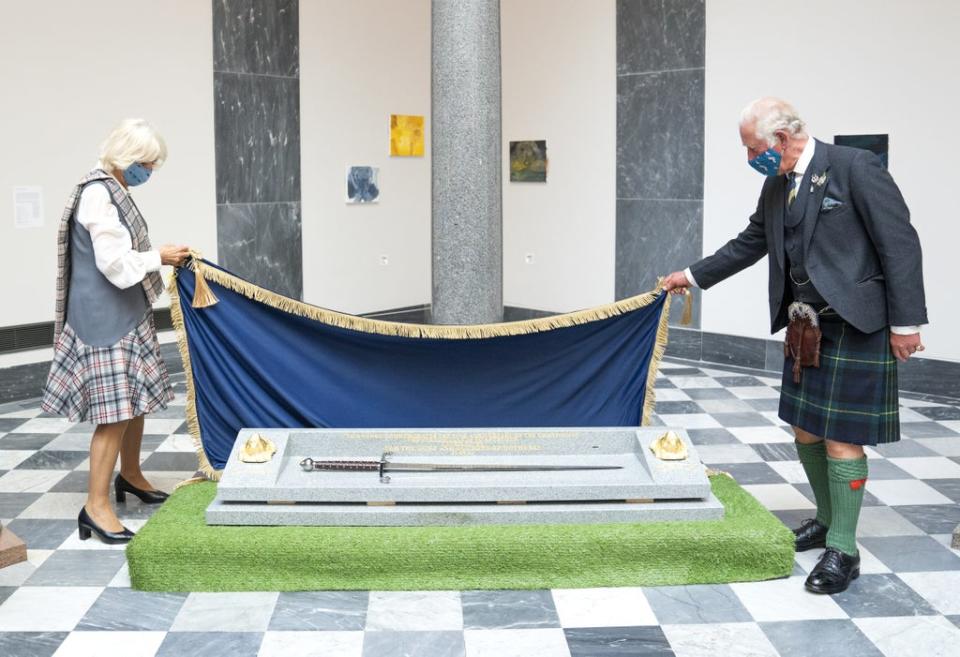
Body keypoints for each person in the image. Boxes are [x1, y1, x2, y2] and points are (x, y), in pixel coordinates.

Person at [663, 97, 927, 594]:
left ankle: (843, 551)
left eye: (753, 148)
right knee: (805, 429)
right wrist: (691, 276)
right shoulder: (776, 183)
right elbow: (749, 243)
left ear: (781, 140)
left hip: (857, 325)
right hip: (805, 327)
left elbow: (901, 243)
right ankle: (827, 521)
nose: (750, 158)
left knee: (841, 437)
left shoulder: (854, 168)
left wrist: (906, 322)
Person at [41, 119, 190, 544]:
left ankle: (132, 476)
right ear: (127, 160)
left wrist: (155, 256)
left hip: (125, 312)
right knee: (115, 414)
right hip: (104, 319)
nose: (151, 171)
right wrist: (157, 256)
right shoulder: (96, 195)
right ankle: (96, 507)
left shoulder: (113, 188)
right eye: (147, 163)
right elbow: (114, 265)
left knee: (135, 402)